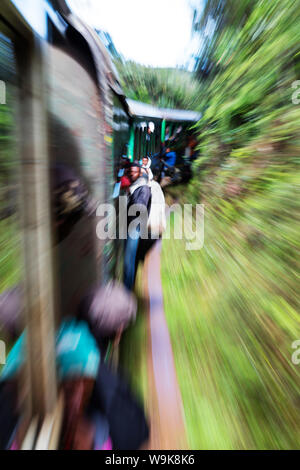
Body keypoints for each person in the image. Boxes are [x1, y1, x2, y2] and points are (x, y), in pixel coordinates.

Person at [123, 162, 151, 291]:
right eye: (129, 172)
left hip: (135, 227)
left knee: (129, 260)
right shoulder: (135, 186)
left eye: (134, 171)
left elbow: (140, 209)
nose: (131, 174)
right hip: (130, 225)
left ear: (139, 172)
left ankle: (127, 291)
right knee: (128, 259)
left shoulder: (143, 188)